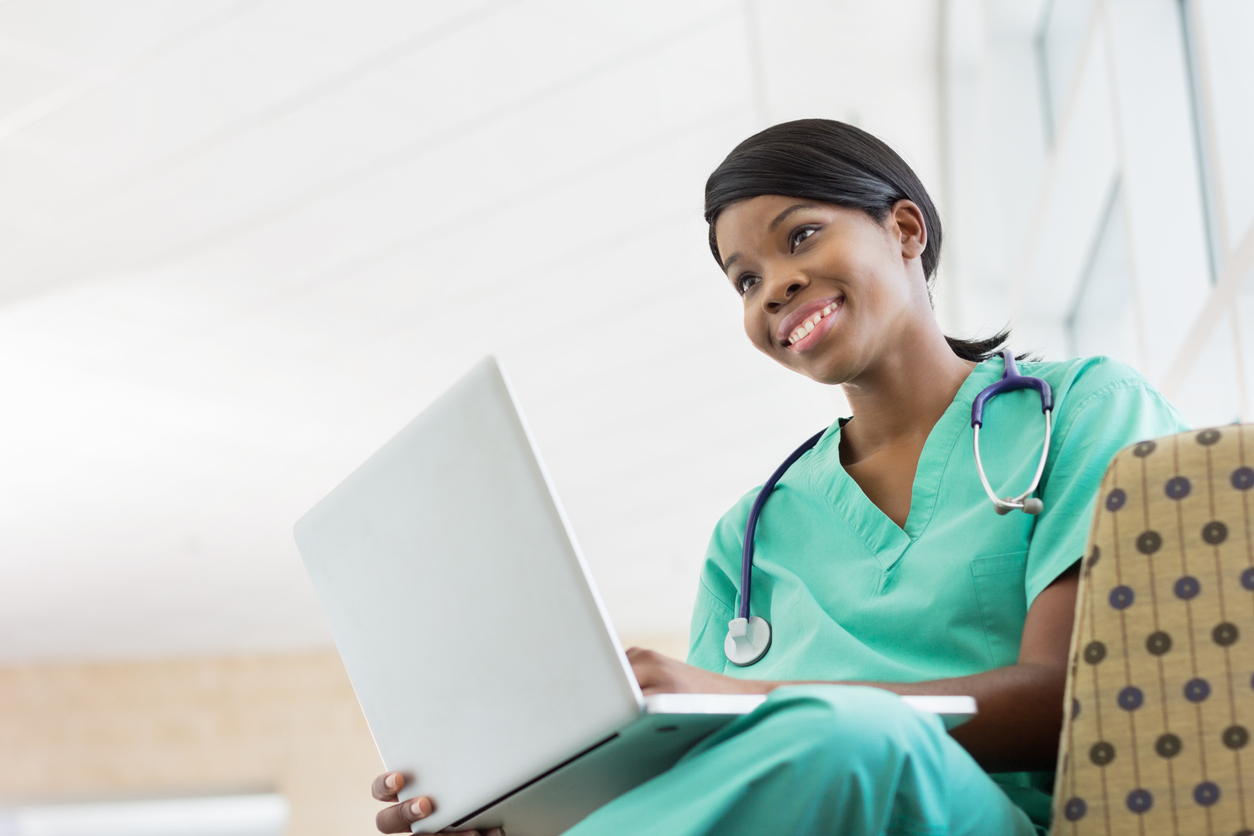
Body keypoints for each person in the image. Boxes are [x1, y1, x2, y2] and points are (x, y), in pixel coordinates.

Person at [368, 119, 1188, 835]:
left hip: (993, 816)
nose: (775, 288)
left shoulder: (1085, 411)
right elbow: (718, 781)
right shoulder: (751, 534)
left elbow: (1073, 698)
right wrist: (527, 805)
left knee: (851, 739)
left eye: (799, 237)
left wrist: (744, 698)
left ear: (905, 228)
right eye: (746, 280)